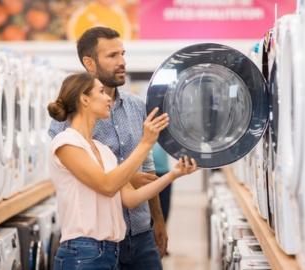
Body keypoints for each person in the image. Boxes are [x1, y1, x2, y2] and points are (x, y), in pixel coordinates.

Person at [48, 72, 197, 269]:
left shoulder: (103, 150)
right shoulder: (66, 142)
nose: (108, 97)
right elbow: (107, 185)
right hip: (81, 253)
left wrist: (174, 174)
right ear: (84, 99)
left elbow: (130, 199)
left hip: (109, 252)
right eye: (101, 92)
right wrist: (145, 143)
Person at [48, 26, 168, 269]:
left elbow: (148, 169)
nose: (122, 62)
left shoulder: (136, 107)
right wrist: (128, 174)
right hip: (94, 241)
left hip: (141, 233)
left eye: (123, 54)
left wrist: (158, 220)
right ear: (89, 63)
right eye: (112, 56)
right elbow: (83, 178)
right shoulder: (67, 123)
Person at [153, 144, 172, 224]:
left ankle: (163, 229)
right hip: (147, 173)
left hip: (164, 172)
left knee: (164, 208)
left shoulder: (164, 134)